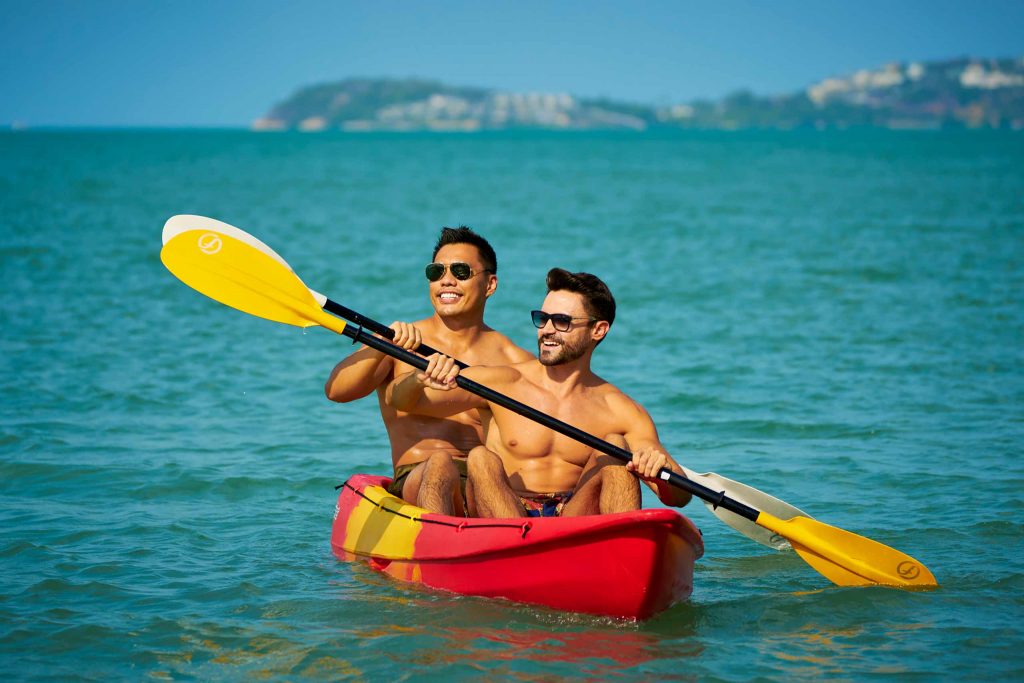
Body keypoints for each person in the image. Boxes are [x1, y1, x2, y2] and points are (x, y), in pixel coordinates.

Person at [386, 267, 691, 518]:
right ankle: (506, 555)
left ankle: (624, 557)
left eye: (562, 322)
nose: (546, 330)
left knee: (612, 447)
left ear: (598, 330)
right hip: (503, 513)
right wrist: (418, 378)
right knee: (480, 458)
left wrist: (657, 473)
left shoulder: (621, 411)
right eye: (541, 319)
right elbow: (403, 402)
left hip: (571, 517)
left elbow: (680, 496)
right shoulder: (503, 381)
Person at [325, 227, 531, 515]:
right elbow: (336, 391)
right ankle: (440, 546)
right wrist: (381, 344)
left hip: (484, 484)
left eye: (460, 271)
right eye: (436, 272)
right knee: (440, 464)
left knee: (483, 459)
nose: (446, 281)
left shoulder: (514, 359)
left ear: (490, 284)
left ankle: (517, 544)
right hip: (418, 478)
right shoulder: (400, 340)